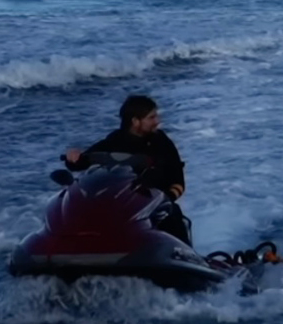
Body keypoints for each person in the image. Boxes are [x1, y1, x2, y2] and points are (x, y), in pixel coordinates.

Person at [66, 94, 192, 244]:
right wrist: (73, 157)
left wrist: (164, 200)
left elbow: (177, 178)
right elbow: (84, 161)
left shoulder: (161, 141)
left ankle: (187, 256)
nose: (157, 121)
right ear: (135, 121)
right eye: (151, 118)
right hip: (121, 206)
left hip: (155, 206)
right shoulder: (115, 140)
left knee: (173, 214)